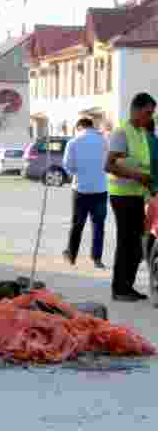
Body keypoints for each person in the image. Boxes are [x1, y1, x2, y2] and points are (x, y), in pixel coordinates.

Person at [104, 92, 156, 302]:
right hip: (122, 196)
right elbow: (109, 165)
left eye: (152, 113)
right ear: (135, 110)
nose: (150, 117)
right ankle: (119, 289)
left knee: (137, 245)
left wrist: (148, 183)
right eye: (147, 113)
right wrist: (138, 176)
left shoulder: (141, 133)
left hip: (137, 195)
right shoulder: (122, 133)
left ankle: (127, 286)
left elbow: (142, 164)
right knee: (127, 243)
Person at [62, 118, 109, 270]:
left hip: (81, 190)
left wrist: (79, 171)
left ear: (79, 127)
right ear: (91, 126)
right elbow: (109, 162)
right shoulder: (104, 141)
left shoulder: (74, 142)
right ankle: (97, 259)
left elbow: (68, 165)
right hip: (100, 189)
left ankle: (71, 256)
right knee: (98, 226)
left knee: (77, 225)